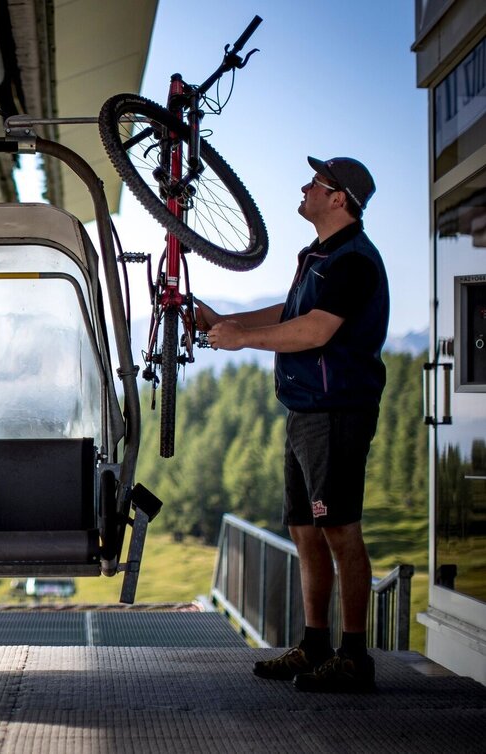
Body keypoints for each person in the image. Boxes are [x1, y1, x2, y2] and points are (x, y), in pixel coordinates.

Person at [198, 157, 388, 694]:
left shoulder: (353, 261)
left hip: (337, 412)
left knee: (339, 529)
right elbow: (290, 312)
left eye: (316, 183)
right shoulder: (322, 257)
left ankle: (354, 657)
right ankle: (316, 644)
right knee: (305, 532)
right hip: (307, 411)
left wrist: (241, 340)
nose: (305, 187)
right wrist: (225, 322)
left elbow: (314, 331)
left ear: (338, 199)